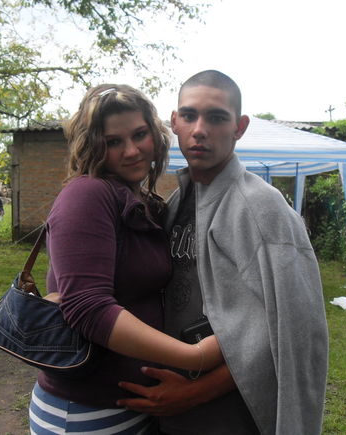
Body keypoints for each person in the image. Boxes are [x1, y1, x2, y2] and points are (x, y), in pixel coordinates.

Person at [117, 70, 329, 435]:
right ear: (174, 123)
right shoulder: (177, 201)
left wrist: (192, 394)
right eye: (189, 116)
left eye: (216, 117)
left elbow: (291, 331)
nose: (200, 130)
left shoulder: (261, 208)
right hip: (175, 418)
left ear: (239, 127)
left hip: (230, 417)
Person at [28, 84, 224, 435]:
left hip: (134, 409)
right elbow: (87, 308)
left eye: (139, 135)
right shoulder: (87, 194)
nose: (132, 151)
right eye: (113, 141)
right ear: (92, 146)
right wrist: (195, 357)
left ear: (156, 135)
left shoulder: (145, 202)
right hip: (86, 412)